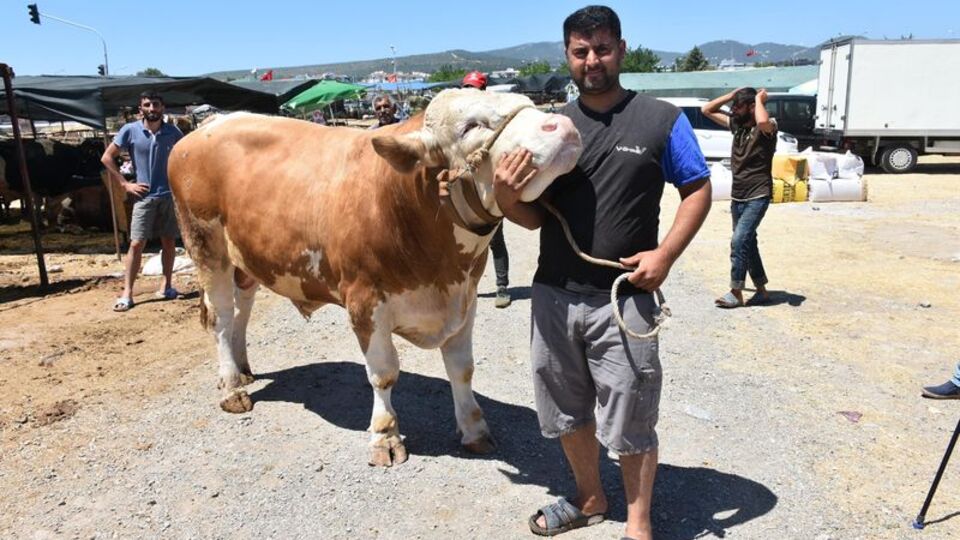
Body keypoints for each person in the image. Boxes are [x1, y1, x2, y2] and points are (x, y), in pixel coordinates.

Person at [494, 6, 712, 539]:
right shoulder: (550, 129)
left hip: (624, 298)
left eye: (603, 49)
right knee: (565, 410)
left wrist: (664, 256)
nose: (593, 60)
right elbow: (530, 216)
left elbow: (698, 188)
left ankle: (639, 525)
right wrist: (502, 193)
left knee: (632, 417)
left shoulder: (660, 119)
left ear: (622, 48)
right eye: (580, 51)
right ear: (567, 55)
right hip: (552, 295)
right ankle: (590, 499)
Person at [101, 90, 184, 312]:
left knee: (169, 241)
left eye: (155, 105)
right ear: (141, 109)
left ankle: (166, 285)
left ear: (162, 108)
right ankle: (127, 293)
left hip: (168, 196)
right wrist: (125, 184)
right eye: (147, 105)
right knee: (137, 243)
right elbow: (107, 157)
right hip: (143, 196)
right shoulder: (130, 130)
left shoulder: (172, 132)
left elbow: (186, 156)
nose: (152, 109)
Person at [701, 87, 777, 308]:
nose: (733, 110)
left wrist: (758, 99)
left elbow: (762, 122)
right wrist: (732, 94)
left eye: (738, 106)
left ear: (752, 107)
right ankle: (761, 289)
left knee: (739, 240)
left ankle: (736, 291)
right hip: (739, 195)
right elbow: (707, 109)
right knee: (748, 242)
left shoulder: (767, 128)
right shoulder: (738, 126)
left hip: (758, 194)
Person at [462, 70, 512, 308]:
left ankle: (502, 287)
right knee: (465, 240)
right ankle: (469, 285)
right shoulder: (459, 122)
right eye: (466, 89)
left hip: (488, 190)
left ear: (483, 92)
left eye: (473, 89)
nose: (470, 94)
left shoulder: (494, 123)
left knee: (495, 240)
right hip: (464, 190)